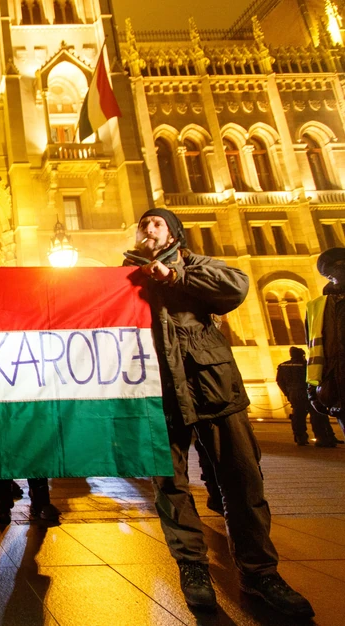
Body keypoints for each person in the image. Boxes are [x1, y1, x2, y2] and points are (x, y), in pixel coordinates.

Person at [123, 208, 313, 617]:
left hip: (214, 387)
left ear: (173, 233)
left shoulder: (196, 265)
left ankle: (260, 573)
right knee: (172, 490)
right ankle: (193, 569)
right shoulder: (121, 279)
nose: (148, 229)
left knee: (242, 480)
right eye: (143, 225)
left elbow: (236, 287)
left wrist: (175, 277)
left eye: (157, 223)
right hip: (157, 396)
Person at [306, 247, 345, 442]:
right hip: (337, 388)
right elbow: (313, 351)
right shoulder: (317, 307)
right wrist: (313, 390)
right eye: (336, 267)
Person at [277, 346, 337, 447]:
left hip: (294, 394)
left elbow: (279, 381)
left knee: (298, 416)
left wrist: (287, 393)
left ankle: (300, 438)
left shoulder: (282, 366)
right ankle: (321, 438)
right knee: (316, 415)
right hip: (306, 393)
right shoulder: (306, 365)